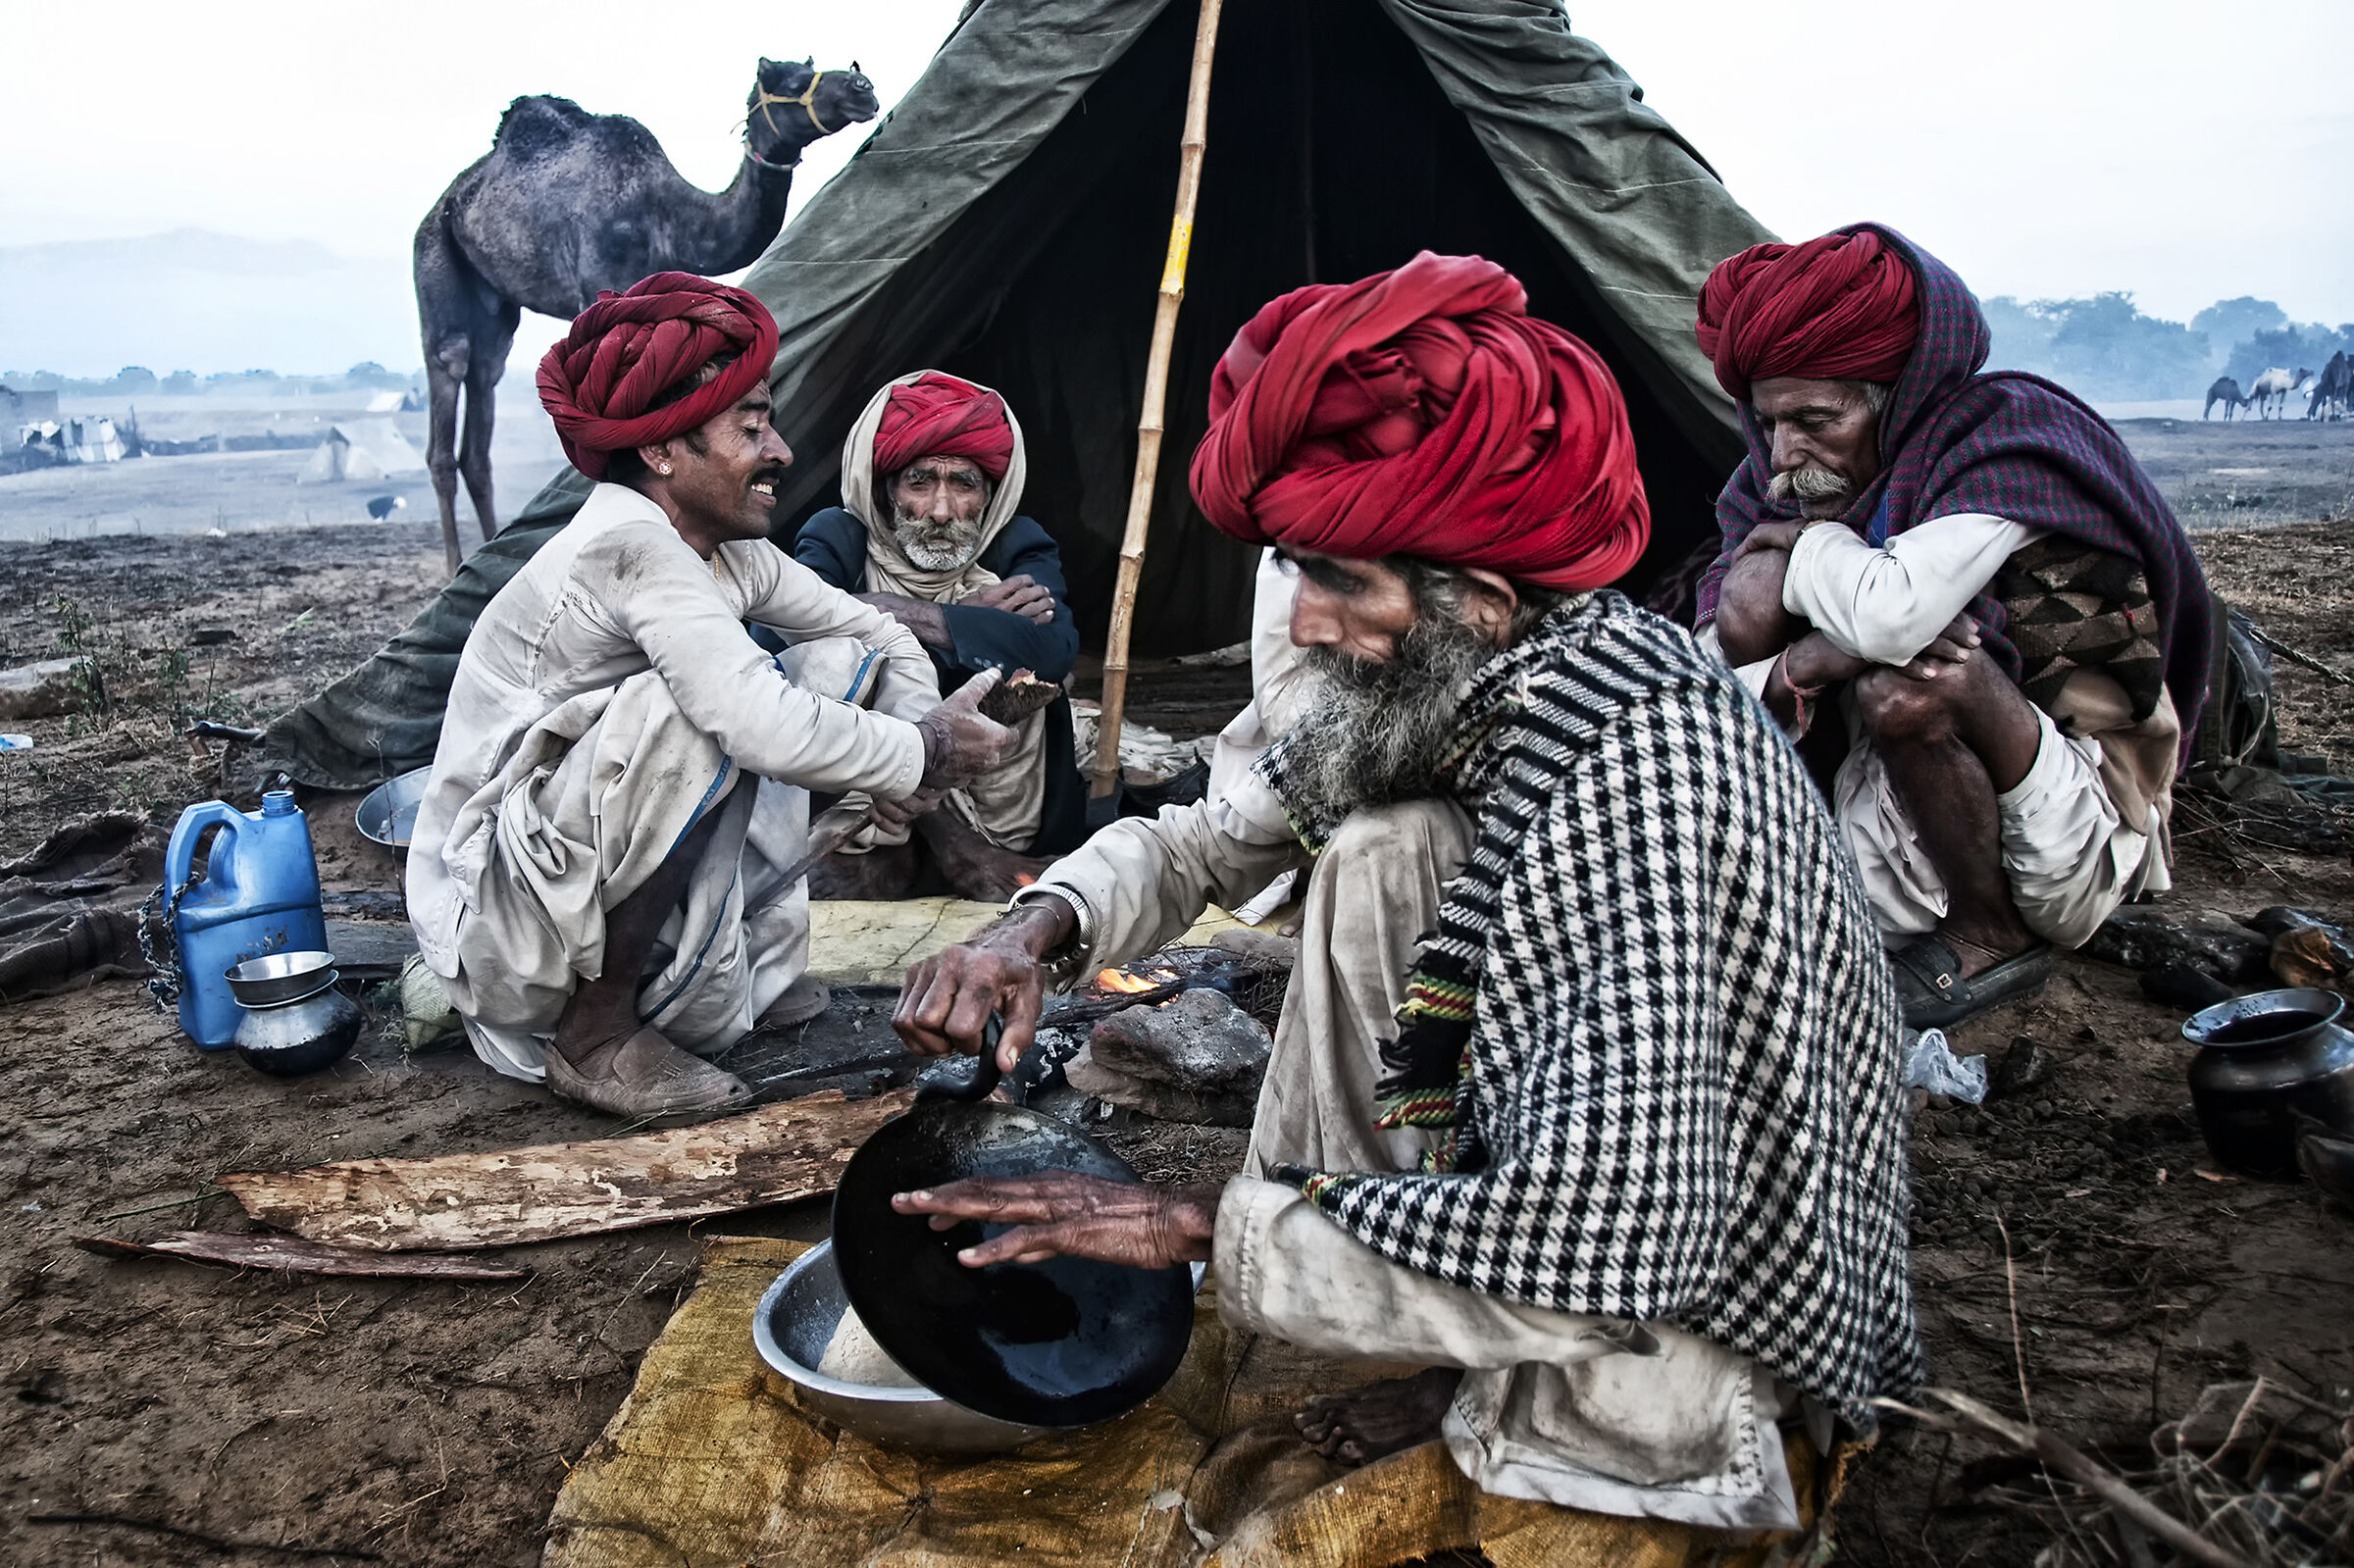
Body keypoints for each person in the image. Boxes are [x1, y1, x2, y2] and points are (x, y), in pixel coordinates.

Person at [889, 254, 1921, 1534]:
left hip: (1700, 1291)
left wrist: (1190, 1225)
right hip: (1607, 1190)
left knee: (1626, 1408)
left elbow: (1618, 1240)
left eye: (1337, 581)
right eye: (1301, 573)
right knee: (1383, 845)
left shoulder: (1638, 784)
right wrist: (1028, 930)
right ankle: (1387, 1297)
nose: (1306, 623)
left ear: (1478, 601)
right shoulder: (1463, 677)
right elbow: (1211, 838)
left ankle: (1474, 1359)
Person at [405, 275, 1011, 1118]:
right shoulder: (629, 547)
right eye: (751, 428)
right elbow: (752, 721)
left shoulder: (725, 551)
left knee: (833, 668)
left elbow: (881, 635)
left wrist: (913, 735)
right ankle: (595, 1034)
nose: (781, 451)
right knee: (702, 712)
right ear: (661, 451)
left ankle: (727, 966)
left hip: (572, 879)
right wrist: (926, 750)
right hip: (500, 917)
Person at [1690, 226, 2212, 1029]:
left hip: (2069, 835)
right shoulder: (1772, 481)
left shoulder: (2002, 442)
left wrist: (1805, 547)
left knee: (1922, 677)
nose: (1785, 453)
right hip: (1876, 816)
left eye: (1816, 419)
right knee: (1754, 604)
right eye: (1768, 423)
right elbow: (1703, 685)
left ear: (1895, 399)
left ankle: (1986, 933)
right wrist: (1804, 664)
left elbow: (1892, 614)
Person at [791, 371, 1086, 899]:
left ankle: (965, 846)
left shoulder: (1015, 543)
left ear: (990, 494)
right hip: (872, 799)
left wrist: (895, 613)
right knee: (840, 669)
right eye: (920, 482)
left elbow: (1051, 651)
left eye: (964, 484)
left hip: (1002, 809)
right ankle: (953, 848)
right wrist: (965, 619)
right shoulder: (838, 536)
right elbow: (786, 636)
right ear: (886, 490)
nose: (943, 511)